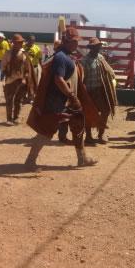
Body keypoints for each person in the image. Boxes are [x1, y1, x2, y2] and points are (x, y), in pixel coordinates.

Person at [25, 27, 99, 169]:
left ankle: (82, 158)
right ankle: (30, 160)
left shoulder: (68, 56)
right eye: (74, 42)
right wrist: (71, 95)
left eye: (77, 42)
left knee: (78, 128)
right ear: (66, 41)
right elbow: (59, 79)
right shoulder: (61, 57)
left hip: (68, 102)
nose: (76, 44)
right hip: (57, 102)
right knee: (45, 132)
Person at [81, 37, 118, 144]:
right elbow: (82, 78)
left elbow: (109, 71)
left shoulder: (101, 58)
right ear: (91, 48)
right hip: (88, 91)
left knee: (106, 111)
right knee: (89, 113)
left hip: (100, 90)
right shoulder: (85, 61)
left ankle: (101, 134)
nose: (98, 48)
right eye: (96, 47)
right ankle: (88, 136)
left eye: (99, 46)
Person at [1, 34, 36, 125]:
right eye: (19, 42)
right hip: (10, 80)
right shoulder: (8, 53)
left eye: (21, 42)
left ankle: (16, 117)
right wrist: (7, 74)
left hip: (22, 81)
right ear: (14, 43)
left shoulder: (24, 53)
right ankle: (9, 119)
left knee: (18, 100)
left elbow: (28, 68)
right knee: (9, 99)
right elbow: (3, 66)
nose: (21, 43)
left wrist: (25, 78)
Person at [24, 35, 43, 99]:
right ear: (27, 40)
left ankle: (32, 96)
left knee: (34, 82)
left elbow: (40, 59)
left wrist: (42, 67)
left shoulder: (37, 48)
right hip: (25, 68)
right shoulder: (23, 47)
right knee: (25, 82)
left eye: (33, 41)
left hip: (34, 68)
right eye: (30, 40)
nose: (31, 42)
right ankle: (24, 95)